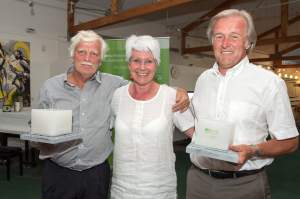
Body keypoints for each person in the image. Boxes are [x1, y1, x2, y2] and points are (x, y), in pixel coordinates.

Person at [37, 30, 190, 199]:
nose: (88, 58)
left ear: (100, 60)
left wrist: (178, 91)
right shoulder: (50, 87)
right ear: (73, 54)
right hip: (59, 173)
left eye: (94, 53)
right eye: (82, 52)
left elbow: (144, 84)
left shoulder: (114, 85)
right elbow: (39, 128)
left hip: (96, 175)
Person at [186, 9, 299, 199]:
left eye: (234, 36)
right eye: (219, 36)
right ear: (212, 41)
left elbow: (290, 141)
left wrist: (254, 150)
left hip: (244, 185)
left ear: (248, 42)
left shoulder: (269, 82)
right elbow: (197, 124)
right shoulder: (203, 79)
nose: (225, 43)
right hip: (198, 181)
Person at [110, 35, 195, 199]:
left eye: (148, 61)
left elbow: (197, 135)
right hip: (121, 190)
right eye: (136, 60)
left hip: (158, 190)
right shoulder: (118, 96)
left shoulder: (172, 97)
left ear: (156, 64)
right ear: (129, 64)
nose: (142, 67)